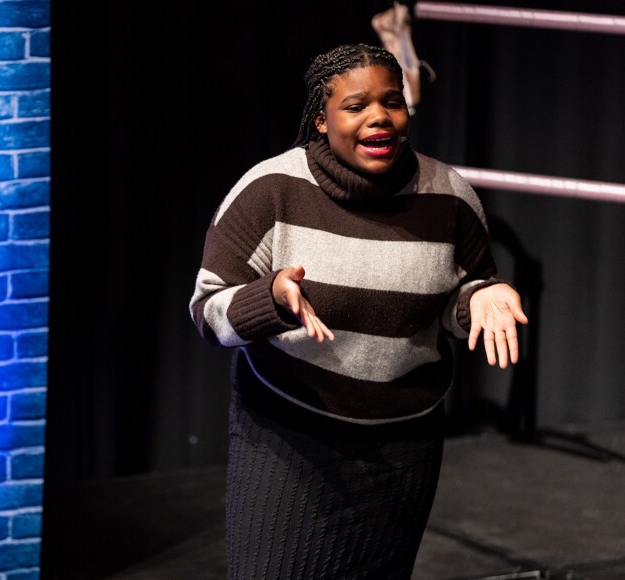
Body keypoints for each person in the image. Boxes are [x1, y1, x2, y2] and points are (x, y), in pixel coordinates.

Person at [188, 43, 528, 579]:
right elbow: (208, 310)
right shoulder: (270, 190)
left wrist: (480, 297)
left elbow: (456, 300)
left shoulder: (450, 196)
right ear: (321, 119)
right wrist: (269, 298)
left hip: (402, 444)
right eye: (356, 105)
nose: (380, 117)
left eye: (392, 102)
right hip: (287, 437)